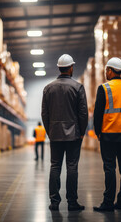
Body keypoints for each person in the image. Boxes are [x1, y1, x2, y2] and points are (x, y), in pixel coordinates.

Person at [41, 54, 88, 211]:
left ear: (59, 68)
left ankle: (54, 202)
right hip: (74, 134)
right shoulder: (78, 87)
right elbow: (83, 113)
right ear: (71, 68)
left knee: (55, 166)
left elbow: (44, 114)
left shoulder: (48, 88)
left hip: (55, 134)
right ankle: (72, 202)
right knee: (72, 167)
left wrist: (50, 131)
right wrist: (82, 132)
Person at [93, 57, 121, 212]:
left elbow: (97, 114)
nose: (106, 72)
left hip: (109, 135)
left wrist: (98, 132)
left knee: (109, 168)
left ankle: (108, 203)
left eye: (106, 70)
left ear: (110, 70)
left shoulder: (104, 88)